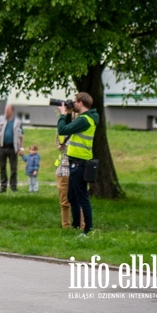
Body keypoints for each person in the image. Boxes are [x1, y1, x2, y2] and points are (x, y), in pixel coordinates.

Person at [56, 92, 99, 236]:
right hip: (75, 162)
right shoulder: (83, 118)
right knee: (72, 197)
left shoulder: (85, 119)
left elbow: (63, 129)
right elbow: (68, 127)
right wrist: (68, 113)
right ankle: (75, 226)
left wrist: (62, 114)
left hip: (80, 164)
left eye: (75, 102)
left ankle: (87, 230)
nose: (73, 104)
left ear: (81, 103)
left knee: (82, 198)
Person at [55, 135, 84, 230]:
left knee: (79, 200)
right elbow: (59, 146)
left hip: (76, 170)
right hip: (63, 171)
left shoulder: (81, 129)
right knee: (64, 202)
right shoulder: (62, 130)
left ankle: (82, 226)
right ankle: (66, 226)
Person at [0, 104, 23, 193]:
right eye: (5, 109)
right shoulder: (1, 119)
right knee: (2, 168)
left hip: (13, 148)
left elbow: (21, 136)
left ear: (12, 111)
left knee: (13, 168)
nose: (6, 111)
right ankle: (3, 187)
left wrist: (21, 148)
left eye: (8, 110)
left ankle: (13, 186)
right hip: (2, 147)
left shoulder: (17, 122)